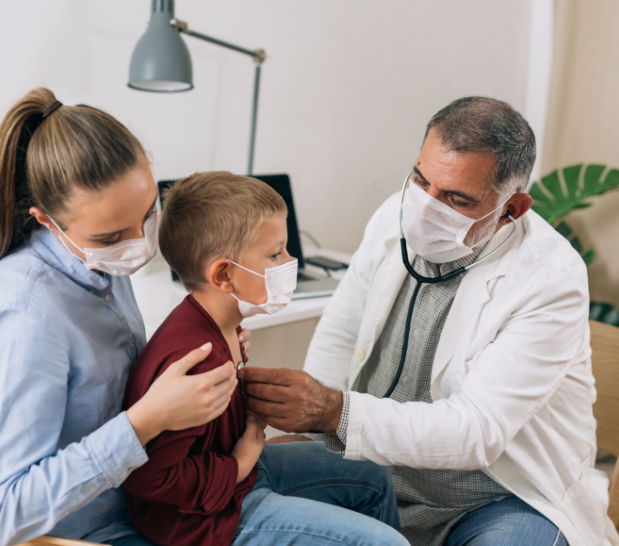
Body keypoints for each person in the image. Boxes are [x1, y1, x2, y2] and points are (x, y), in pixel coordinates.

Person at [240, 97, 619, 545]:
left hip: (494, 498)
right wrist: (305, 428)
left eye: (457, 199)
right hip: (376, 473)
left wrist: (333, 412)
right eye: (422, 180)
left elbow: (476, 430)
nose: (425, 210)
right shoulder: (394, 214)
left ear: (512, 209)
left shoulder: (551, 278)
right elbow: (341, 331)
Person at [0, 88, 246, 546]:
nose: (140, 244)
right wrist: (145, 422)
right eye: (111, 236)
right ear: (45, 221)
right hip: (80, 533)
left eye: (148, 215)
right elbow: (5, 514)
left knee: (361, 485)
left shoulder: (96, 265)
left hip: (137, 498)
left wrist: (211, 341)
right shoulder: (26, 319)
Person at [122, 172, 408, 546]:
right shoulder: (196, 362)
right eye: (275, 254)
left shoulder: (223, 327)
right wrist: (240, 461)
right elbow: (152, 478)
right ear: (224, 275)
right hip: (206, 521)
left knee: (372, 476)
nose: (289, 262)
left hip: (239, 478)